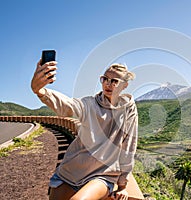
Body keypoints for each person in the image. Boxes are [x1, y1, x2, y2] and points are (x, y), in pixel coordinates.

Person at [31, 59, 138, 200]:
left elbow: (128, 147)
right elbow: (68, 106)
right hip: (70, 172)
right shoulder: (90, 104)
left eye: (114, 81)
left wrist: (123, 186)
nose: (108, 84)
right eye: (105, 79)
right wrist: (40, 91)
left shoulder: (128, 111)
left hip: (102, 174)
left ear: (125, 85)